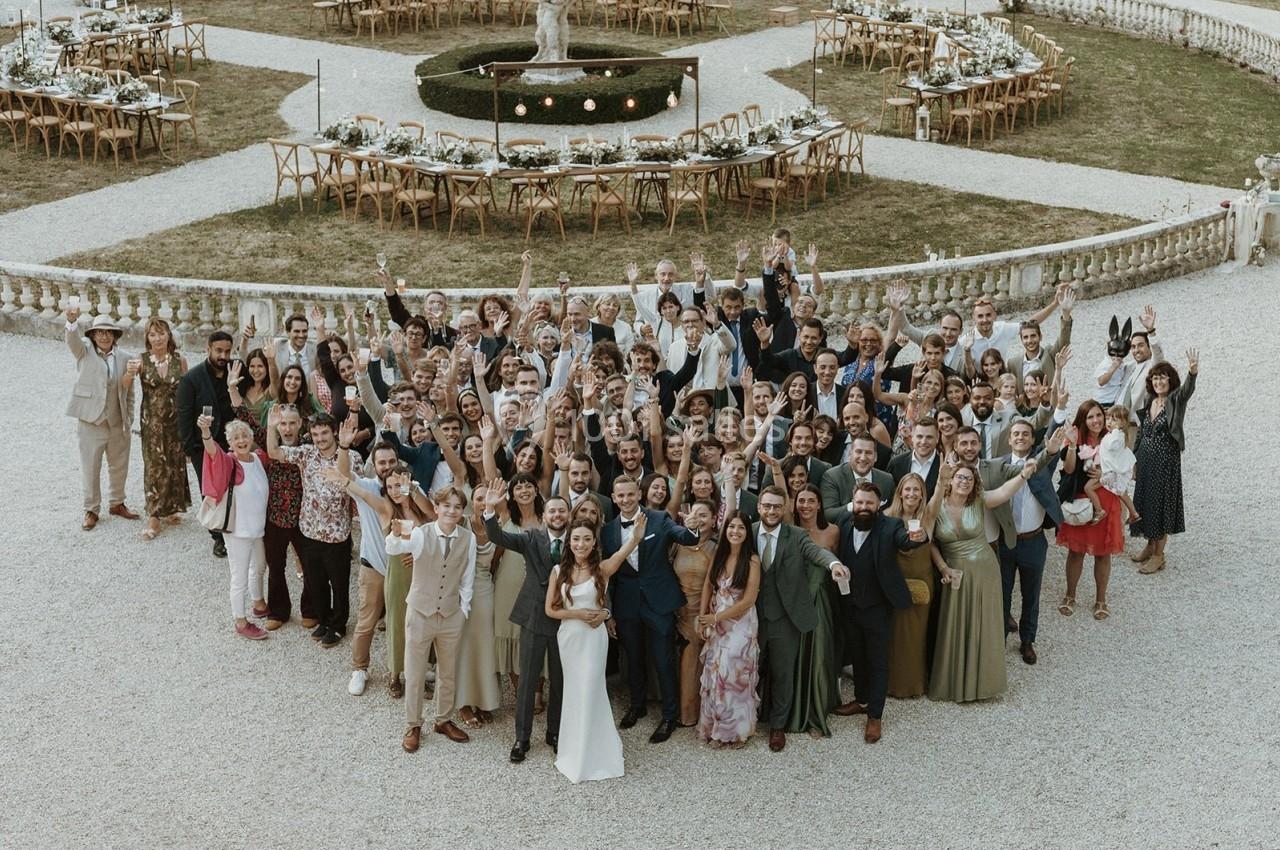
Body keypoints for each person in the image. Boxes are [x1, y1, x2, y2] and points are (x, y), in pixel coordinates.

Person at [928, 456, 1036, 703]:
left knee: (982, 624)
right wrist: (943, 567)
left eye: (969, 478)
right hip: (954, 572)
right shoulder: (936, 505)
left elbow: (1003, 492)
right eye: (960, 477)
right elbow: (930, 541)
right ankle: (954, 683)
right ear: (950, 480)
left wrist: (1023, 475)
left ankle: (982, 684)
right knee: (954, 624)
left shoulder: (978, 501)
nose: (964, 482)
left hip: (984, 570)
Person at [603, 475, 701, 744]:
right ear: (614, 498)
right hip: (626, 603)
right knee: (633, 659)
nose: (626, 499)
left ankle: (669, 715)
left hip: (659, 600)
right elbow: (608, 576)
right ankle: (637, 705)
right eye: (620, 495)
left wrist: (692, 528)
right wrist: (609, 613)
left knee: (663, 659)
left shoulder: (659, 519)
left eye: (630, 494)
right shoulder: (607, 531)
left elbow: (685, 537)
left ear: (639, 493)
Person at [546, 516, 644, 784]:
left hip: (593, 639)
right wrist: (577, 614)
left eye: (586, 539)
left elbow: (624, 552)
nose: (581, 544)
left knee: (591, 688)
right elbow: (550, 610)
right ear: (569, 542)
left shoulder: (602, 568)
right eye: (576, 538)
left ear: (593, 543)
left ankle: (596, 752)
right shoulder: (558, 571)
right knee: (575, 691)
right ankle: (574, 750)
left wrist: (635, 537)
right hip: (570, 637)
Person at [829, 481, 926, 742]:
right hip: (849, 604)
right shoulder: (844, 521)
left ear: (879, 504)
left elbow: (906, 541)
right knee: (857, 656)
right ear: (853, 502)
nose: (863, 507)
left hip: (878, 607)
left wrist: (918, 537)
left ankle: (875, 715)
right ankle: (861, 700)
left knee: (878, 661)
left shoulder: (891, 526)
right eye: (859, 502)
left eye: (869, 503)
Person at [482, 483, 571, 764]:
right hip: (533, 616)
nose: (557, 515)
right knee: (528, 680)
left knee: (560, 679)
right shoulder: (531, 538)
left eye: (562, 511)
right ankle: (522, 738)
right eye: (552, 511)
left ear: (568, 515)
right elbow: (497, 536)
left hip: (565, 619)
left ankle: (555, 733)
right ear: (544, 516)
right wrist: (490, 509)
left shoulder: (579, 540)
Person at [752, 486, 844, 753]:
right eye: (767, 506)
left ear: (785, 509)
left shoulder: (796, 535)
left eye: (776, 506)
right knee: (749, 671)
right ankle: (745, 719)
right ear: (759, 507)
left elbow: (817, 552)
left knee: (783, 674)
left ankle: (778, 726)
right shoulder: (747, 531)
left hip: (784, 617)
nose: (771, 511)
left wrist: (834, 564)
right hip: (751, 617)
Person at [386, 485, 478, 752]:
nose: (451, 511)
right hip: (420, 613)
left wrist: (463, 610)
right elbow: (394, 548)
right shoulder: (420, 533)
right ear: (436, 508)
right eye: (446, 505)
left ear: (462, 512)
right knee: (414, 673)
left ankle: (443, 720)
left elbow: (468, 577)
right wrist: (394, 535)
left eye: (457, 507)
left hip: (451, 614)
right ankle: (413, 724)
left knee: (448, 672)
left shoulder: (468, 539)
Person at [267, 412, 359, 648]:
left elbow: (345, 479)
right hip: (309, 531)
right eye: (315, 434)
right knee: (315, 582)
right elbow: (274, 452)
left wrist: (344, 448)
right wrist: (271, 427)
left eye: (324, 433)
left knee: (339, 585)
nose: (320, 438)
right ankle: (324, 620)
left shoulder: (351, 456)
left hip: (337, 535)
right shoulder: (307, 453)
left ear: (334, 432)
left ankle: (338, 625)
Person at [328, 441, 402, 696]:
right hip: (373, 567)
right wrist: (343, 447)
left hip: (402, 569)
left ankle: (399, 670)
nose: (387, 466)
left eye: (391, 461)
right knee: (366, 621)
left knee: (400, 623)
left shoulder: (407, 487)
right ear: (374, 464)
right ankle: (359, 669)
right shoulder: (367, 486)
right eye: (382, 462)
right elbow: (344, 475)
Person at [995, 419, 1064, 666]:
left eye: (1026, 434)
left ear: (1033, 440)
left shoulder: (1041, 463)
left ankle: (1027, 639)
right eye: (1016, 434)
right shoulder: (999, 465)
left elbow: (1052, 449)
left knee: (1031, 594)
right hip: (1005, 542)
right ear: (1009, 439)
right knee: (1002, 593)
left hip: (1033, 540)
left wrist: (1059, 411)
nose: (1021, 437)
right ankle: (1000, 638)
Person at [65, 308, 138, 531]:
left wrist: (129, 418)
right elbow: (72, 340)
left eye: (108, 332)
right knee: (90, 466)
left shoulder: (126, 358)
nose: (104, 336)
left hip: (117, 421)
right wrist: (71, 321)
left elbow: (129, 392)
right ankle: (91, 509)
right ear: (93, 335)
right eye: (100, 332)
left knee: (119, 465)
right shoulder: (84, 351)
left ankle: (117, 503)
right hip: (91, 420)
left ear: (115, 335)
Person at [198, 414, 270, 640]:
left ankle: (259, 603)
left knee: (259, 567)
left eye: (245, 435)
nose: (241, 440)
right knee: (239, 576)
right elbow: (212, 452)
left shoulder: (257, 458)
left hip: (257, 529)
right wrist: (206, 432)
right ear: (229, 442)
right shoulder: (229, 462)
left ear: (251, 438)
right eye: (236, 437)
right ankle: (240, 621)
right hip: (238, 531)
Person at [697, 511, 761, 748]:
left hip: (741, 622)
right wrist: (702, 617)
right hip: (716, 620)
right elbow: (708, 585)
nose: (735, 531)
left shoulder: (752, 560)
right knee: (714, 672)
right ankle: (715, 728)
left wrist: (715, 617)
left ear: (747, 532)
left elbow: (749, 600)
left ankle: (736, 732)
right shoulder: (719, 554)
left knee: (733, 674)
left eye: (741, 527)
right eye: (731, 527)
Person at [1055, 400, 1124, 621]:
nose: (1096, 421)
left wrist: (1105, 473)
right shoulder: (1075, 437)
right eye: (1090, 417)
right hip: (1081, 500)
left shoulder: (1113, 437)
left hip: (1106, 499)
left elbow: (1124, 469)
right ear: (1083, 420)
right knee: (1076, 552)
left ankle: (1101, 599)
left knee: (1103, 553)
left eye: (1099, 415)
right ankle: (1070, 594)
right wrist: (1072, 444)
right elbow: (1068, 469)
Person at [1131, 352, 1198, 574]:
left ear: (1170, 380)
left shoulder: (1175, 400)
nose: (1158, 381)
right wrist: (1134, 460)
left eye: (1162, 377)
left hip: (1165, 463)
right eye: (1155, 378)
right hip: (1145, 461)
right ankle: (1150, 546)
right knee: (1146, 504)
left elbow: (1187, 391)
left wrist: (1192, 373)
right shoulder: (1149, 400)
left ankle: (1159, 556)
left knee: (1160, 507)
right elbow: (1141, 432)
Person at [786, 484, 841, 737]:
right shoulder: (789, 529)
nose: (805, 505)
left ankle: (816, 713)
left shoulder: (833, 531)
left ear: (819, 504)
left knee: (818, 655)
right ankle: (792, 712)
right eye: (801, 501)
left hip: (821, 600)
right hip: (793, 599)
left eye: (811, 501)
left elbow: (834, 563)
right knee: (794, 656)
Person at [177, 331, 236, 557]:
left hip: (232, 443)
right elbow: (184, 417)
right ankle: (218, 537)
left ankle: (234, 527)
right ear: (208, 349)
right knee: (211, 491)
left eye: (227, 351)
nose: (223, 356)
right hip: (204, 446)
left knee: (234, 487)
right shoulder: (191, 379)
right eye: (219, 351)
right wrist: (191, 450)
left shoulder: (234, 371)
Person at [134, 318, 189, 540]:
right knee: (155, 467)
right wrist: (128, 374)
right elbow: (125, 386)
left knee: (175, 464)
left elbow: (186, 392)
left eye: (161, 333)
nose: (158, 338)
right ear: (147, 338)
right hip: (152, 423)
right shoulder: (141, 360)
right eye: (153, 334)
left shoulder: (180, 360)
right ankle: (154, 516)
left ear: (169, 335)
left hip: (175, 421)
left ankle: (171, 508)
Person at [882, 473, 936, 697]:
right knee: (894, 635)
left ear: (922, 494)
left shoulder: (927, 517)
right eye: (908, 489)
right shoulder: (886, 516)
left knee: (915, 636)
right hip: (895, 582)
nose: (912, 494)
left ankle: (914, 685)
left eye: (917, 490)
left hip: (922, 582)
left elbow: (932, 547)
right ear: (900, 493)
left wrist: (944, 478)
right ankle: (891, 684)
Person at [454, 494, 501, 729]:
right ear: (472, 502)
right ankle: (462, 702)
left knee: (484, 647)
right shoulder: (460, 522)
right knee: (461, 647)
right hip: (457, 591)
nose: (483, 503)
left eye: (487, 499)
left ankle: (483, 700)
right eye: (479, 498)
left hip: (484, 590)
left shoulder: (497, 529)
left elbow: (495, 564)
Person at [672, 500, 718, 728]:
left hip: (700, 611)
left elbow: (714, 584)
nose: (698, 519)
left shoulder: (715, 548)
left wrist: (704, 615)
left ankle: (690, 714)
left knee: (692, 664)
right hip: (676, 610)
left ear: (714, 520)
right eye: (695, 514)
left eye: (704, 515)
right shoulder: (677, 544)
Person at [1081, 405, 1140, 527]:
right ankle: (1134, 513)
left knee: (1088, 488)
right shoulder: (1115, 434)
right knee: (1121, 492)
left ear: (1122, 423)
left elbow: (1111, 446)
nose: (1109, 422)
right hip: (1111, 471)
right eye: (1108, 419)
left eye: (1114, 420)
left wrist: (1113, 434)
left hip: (1109, 472)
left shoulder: (1117, 435)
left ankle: (1099, 510)